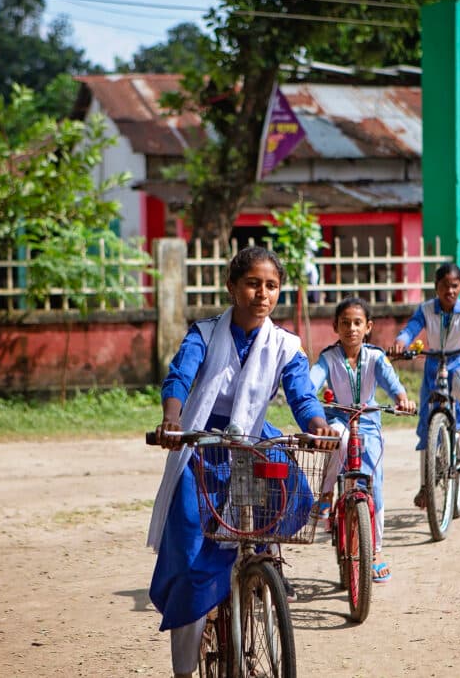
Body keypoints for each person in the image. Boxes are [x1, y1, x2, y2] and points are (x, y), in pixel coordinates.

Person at [147, 246, 337, 678]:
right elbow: (180, 375)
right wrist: (172, 419)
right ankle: (185, 662)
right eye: (252, 283)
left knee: (282, 495)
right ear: (233, 287)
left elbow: (302, 393)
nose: (262, 294)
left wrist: (318, 424)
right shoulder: (205, 333)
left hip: (252, 442)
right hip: (205, 445)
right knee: (193, 546)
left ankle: (257, 572)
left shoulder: (284, 344)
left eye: (271, 286)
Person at [309, 297, 416, 583]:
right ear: (335, 326)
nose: (351, 329)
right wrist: (305, 393)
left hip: (368, 423)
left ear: (368, 327)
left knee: (375, 484)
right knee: (339, 441)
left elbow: (392, 384)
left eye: (357, 323)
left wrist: (402, 399)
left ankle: (376, 550)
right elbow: (312, 382)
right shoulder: (328, 357)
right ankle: (326, 493)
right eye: (345, 323)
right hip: (339, 419)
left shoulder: (376, 357)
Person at [387, 263, 460, 509]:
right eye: (444, 286)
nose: (449, 291)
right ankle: (426, 486)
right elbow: (410, 330)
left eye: (454, 286)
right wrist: (400, 343)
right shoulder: (426, 309)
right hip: (434, 366)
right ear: (436, 287)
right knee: (427, 427)